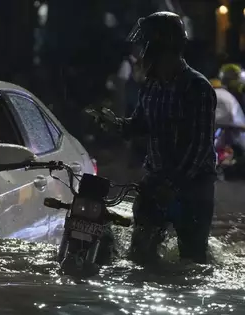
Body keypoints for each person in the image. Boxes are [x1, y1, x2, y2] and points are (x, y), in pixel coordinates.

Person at [93, 12, 217, 266]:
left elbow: (199, 146)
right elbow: (140, 125)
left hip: (193, 189)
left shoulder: (198, 88)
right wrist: (116, 125)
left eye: (145, 45)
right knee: (140, 257)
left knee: (192, 264)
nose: (140, 53)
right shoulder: (151, 86)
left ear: (161, 47)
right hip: (156, 181)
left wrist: (172, 186)